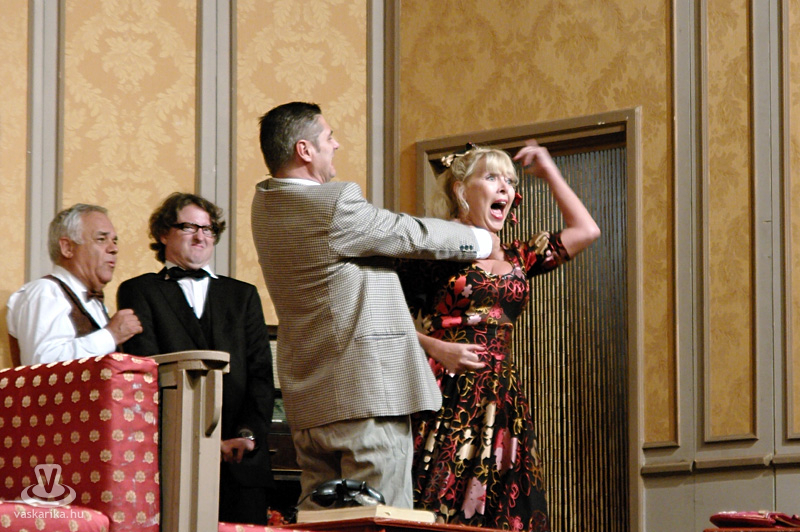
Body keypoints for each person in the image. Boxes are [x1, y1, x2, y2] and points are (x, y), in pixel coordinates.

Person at [251, 101, 499, 510]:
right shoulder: (333, 203)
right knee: (381, 518)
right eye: (329, 137)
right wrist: (482, 240)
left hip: (310, 402)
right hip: (366, 398)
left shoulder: (265, 205)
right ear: (304, 150)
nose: (336, 144)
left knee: (322, 522)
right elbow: (408, 234)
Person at [397, 142, 600, 532]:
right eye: (492, 177)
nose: (505, 187)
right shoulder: (433, 251)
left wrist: (549, 171)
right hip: (445, 392)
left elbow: (587, 230)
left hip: (501, 398)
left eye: (510, 180)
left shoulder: (518, 256)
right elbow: (383, 315)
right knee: (438, 506)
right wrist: (436, 346)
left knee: (503, 513)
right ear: (460, 190)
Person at [116, 193, 275, 525]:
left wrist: (246, 435)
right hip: (174, 459)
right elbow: (146, 377)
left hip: (241, 461)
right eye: (189, 227)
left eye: (208, 229)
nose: (201, 236)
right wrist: (200, 445)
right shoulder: (139, 290)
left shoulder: (243, 295)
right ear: (163, 234)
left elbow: (260, 376)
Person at [6, 204, 142, 366]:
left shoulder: (94, 303)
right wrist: (110, 335)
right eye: (101, 239)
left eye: (114, 241)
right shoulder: (45, 292)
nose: (114, 248)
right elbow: (42, 364)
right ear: (67, 248)